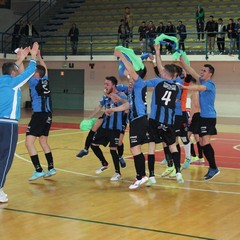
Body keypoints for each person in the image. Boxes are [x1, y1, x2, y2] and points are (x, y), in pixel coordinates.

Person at [0, 43, 39, 203]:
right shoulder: (13, 83)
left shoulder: (2, 80)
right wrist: (33, 56)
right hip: (8, 125)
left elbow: (12, 70)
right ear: (14, 73)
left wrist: (20, 59)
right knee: (6, 158)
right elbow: (30, 72)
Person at [113, 47, 149, 189]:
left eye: (131, 75)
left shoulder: (139, 82)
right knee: (136, 149)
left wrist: (121, 55)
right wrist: (113, 109)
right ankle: (141, 175)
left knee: (135, 148)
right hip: (136, 120)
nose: (129, 77)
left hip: (139, 119)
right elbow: (128, 105)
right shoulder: (134, 88)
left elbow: (131, 71)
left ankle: (142, 176)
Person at [180, 57, 220, 181]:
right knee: (202, 143)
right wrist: (182, 62)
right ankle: (213, 167)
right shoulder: (203, 81)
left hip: (209, 118)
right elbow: (191, 71)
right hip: (204, 117)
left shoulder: (209, 84)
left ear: (210, 74)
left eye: (204, 71)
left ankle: (214, 168)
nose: (201, 72)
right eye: (201, 70)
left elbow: (198, 88)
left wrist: (185, 88)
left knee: (205, 142)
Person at [25, 50, 56, 181]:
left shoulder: (34, 82)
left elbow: (23, 73)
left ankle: (38, 170)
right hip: (48, 114)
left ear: (36, 74)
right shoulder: (45, 80)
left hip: (39, 115)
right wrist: (39, 57)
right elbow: (46, 69)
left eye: (34, 72)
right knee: (43, 141)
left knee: (28, 142)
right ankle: (51, 168)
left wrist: (21, 58)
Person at [90, 76, 129, 181]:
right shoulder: (106, 97)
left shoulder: (121, 95)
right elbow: (99, 106)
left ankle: (118, 173)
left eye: (107, 84)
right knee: (93, 145)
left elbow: (128, 105)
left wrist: (119, 99)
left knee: (113, 150)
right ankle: (104, 163)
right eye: (104, 84)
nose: (105, 86)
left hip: (116, 127)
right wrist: (89, 117)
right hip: (105, 126)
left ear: (113, 85)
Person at [187, 77, 204, 163]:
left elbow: (196, 106)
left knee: (187, 136)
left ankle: (194, 155)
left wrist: (191, 116)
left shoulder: (195, 93)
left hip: (196, 115)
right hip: (197, 115)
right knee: (197, 137)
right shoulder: (194, 93)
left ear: (191, 84)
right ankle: (200, 157)